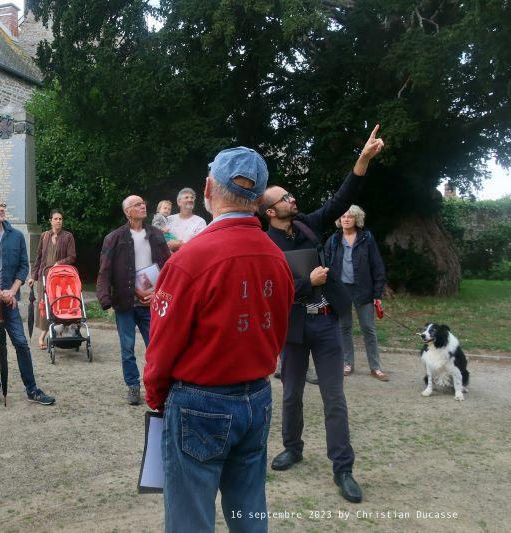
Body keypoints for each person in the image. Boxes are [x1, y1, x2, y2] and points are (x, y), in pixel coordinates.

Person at [144, 147, 293, 533]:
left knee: (189, 520)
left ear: (209, 187)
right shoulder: (277, 258)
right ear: (259, 200)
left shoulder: (191, 259)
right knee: (249, 512)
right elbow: (276, 330)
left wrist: (157, 398)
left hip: (200, 401)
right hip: (256, 397)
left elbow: (161, 347)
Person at [262, 124, 384, 504]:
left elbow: (340, 199)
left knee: (335, 398)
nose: (292, 199)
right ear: (270, 210)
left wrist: (362, 160)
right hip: (293, 328)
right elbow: (268, 292)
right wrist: (305, 283)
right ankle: (293, 447)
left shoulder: (307, 224)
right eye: (286, 197)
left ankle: (343, 468)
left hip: (327, 321)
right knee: (291, 395)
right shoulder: (263, 243)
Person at [0, 194, 55, 406]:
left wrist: (12, 291)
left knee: (20, 342)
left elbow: (23, 267)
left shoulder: (16, 236)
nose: (1, 208)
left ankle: (32, 389)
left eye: (2, 205)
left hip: (10, 298)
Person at [97, 195, 170, 405]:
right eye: (137, 205)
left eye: (143, 203)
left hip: (151, 301)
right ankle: (132, 386)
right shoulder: (115, 237)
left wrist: (164, 291)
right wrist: (105, 299)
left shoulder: (155, 234)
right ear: (127, 211)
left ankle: (154, 386)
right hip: (125, 301)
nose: (143, 206)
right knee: (127, 348)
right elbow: (104, 270)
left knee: (155, 347)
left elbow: (168, 265)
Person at [325, 205, 388, 380]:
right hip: (341, 290)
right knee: (344, 327)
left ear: (357, 219)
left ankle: (375, 367)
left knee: (368, 329)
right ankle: (347, 363)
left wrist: (377, 294)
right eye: (343, 216)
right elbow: (326, 266)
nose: (346, 219)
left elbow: (377, 266)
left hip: (363, 290)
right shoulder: (333, 240)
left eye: (350, 216)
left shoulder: (366, 238)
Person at [27, 209, 77, 350]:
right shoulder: (44, 236)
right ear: (51, 221)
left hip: (61, 277)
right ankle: (42, 335)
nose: (58, 221)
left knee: (59, 304)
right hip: (45, 276)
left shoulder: (68, 237)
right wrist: (32, 276)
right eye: (56, 219)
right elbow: (38, 258)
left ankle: (57, 332)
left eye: (60, 219)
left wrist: (59, 263)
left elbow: (72, 257)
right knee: (44, 306)